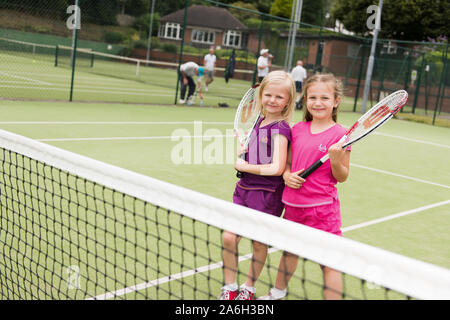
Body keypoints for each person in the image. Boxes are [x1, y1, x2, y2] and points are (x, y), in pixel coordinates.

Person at [260, 73, 351, 300]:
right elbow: (288, 164)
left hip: (322, 209)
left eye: (324, 98)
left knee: (329, 262)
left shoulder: (341, 135)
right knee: (289, 252)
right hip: (292, 205)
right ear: (305, 99)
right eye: (312, 98)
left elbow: (342, 176)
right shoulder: (298, 129)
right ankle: (277, 292)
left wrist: (336, 158)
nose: (317, 103)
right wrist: (287, 176)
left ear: (336, 101)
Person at [219, 70, 296, 300]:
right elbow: (256, 156)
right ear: (261, 95)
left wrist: (244, 166)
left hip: (266, 195)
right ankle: (230, 288)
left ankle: (248, 289)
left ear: (288, 101)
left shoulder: (281, 129)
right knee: (229, 237)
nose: (272, 100)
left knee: (258, 244)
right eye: (268, 95)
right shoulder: (258, 121)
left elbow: (277, 168)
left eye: (279, 97)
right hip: (243, 190)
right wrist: (244, 155)